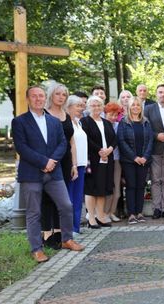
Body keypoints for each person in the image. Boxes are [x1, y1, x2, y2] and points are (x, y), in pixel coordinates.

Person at [12, 86, 84, 263]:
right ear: (28, 99)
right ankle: (37, 249)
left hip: (54, 172)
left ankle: (67, 239)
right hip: (31, 173)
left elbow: (62, 143)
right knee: (34, 212)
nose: (38, 99)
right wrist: (43, 162)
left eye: (41, 96)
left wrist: (52, 161)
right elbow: (21, 147)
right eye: (34, 96)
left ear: (45, 98)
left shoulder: (53, 121)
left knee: (66, 205)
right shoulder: (19, 121)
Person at [41, 82, 77, 249]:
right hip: (49, 161)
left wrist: (74, 165)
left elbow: (72, 141)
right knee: (48, 198)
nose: (61, 97)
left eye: (64, 94)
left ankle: (58, 231)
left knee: (62, 199)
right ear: (51, 95)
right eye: (58, 94)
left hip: (66, 161)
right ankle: (46, 233)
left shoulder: (67, 115)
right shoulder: (44, 114)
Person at [81, 95, 116, 228]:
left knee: (103, 188)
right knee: (91, 188)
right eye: (93, 105)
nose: (96, 108)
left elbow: (114, 139)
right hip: (93, 158)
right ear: (88, 107)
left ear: (102, 107)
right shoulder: (85, 121)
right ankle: (91, 218)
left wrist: (110, 149)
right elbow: (87, 139)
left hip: (107, 159)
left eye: (99, 105)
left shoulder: (106, 122)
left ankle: (100, 216)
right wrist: (100, 150)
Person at [118, 97, 154, 224]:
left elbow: (150, 140)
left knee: (140, 186)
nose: (135, 107)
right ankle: (131, 214)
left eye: (138, 105)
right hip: (129, 160)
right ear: (129, 107)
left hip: (144, 160)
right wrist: (134, 157)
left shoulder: (146, 122)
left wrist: (145, 157)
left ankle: (139, 212)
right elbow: (121, 141)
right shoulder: (123, 122)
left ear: (141, 107)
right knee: (131, 186)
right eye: (133, 105)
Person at [144, 84, 164, 219]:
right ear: (156, 94)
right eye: (160, 92)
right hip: (155, 147)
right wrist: (156, 135)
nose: (163, 94)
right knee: (156, 179)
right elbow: (145, 128)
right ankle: (157, 208)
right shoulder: (148, 109)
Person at [66, 95, 88, 233]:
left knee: (78, 198)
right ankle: (69, 229)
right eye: (78, 106)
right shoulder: (66, 122)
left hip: (81, 164)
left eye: (82, 105)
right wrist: (73, 164)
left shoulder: (78, 122)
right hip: (71, 165)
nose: (82, 108)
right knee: (70, 198)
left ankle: (76, 227)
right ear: (69, 107)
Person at [103, 103, 123, 223]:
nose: (113, 117)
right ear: (106, 113)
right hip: (103, 159)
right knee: (106, 188)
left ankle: (111, 212)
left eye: (116, 115)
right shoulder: (101, 124)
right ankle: (103, 213)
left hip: (116, 159)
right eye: (111, 114)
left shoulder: (118, 125)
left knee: (117, 190)